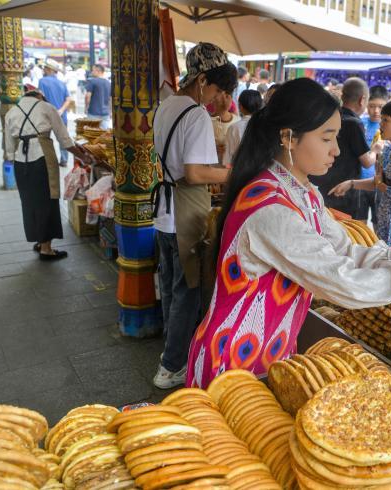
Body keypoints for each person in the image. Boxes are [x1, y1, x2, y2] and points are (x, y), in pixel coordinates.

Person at [185, 78, 391, 387]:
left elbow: (344, 251)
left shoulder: (302, 192)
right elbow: (344, 282)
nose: (337, 150)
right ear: (289, 138)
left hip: (269, 356)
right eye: (327, 138)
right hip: (231, 366)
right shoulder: (271, 209)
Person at [151, 42, 236, 389]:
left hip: (164, 212)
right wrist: (233, 172)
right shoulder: (196, 114)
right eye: (216, 89)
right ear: (202, 80)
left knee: (172, 285)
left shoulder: (166, 104)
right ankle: (171, 368)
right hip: (185, 209)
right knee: (187, 289)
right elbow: (197, 173)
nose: (216, 99)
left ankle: (172, 350)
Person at [4, 87, 87, 261]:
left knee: (29, 202)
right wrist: (84, 157)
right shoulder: (46, 108)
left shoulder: (11, 112)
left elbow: (9, 148)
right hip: (42, 158)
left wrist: (15, 161)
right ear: (40, 96)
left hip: (21, 162)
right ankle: (46, 249)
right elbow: (64, 140)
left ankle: (40, 241)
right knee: (47, 200)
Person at [331, 99, 391, 246]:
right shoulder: (389, 148)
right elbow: (380, 183)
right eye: (382, 119)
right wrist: (351, 184)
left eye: (386, 120)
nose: (381, 124)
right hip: (387, 218)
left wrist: (379, 181)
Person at [309, 77, 380, 217]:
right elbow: (367, 162)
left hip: (321, 185)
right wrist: (376, 150)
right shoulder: (354, 123)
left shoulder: (329, 116)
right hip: (343, 191)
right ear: (362, 99)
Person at [356, 85, 388, 225]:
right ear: (365, 103)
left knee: (379, 227)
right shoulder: (359, 124)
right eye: (372, 106)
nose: (376, 111)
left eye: (380, 107)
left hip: (379, 185)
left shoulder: (390, 127)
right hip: (360, 183)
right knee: (359, 227)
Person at [38, 59, 72, 167]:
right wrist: (61, 110)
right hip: (61, 116)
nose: (44, 70)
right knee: (63, 139)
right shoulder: (62, 83)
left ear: (49, 70)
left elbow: (40, 97)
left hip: (46, 116)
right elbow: (69, 99)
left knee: (45, 139)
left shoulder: (42, 81)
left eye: (45, 68)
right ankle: (64, 160)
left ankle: (48, 160)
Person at [222, 89, 263, 166]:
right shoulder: (266, 126)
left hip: (240, 170)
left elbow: (227, 158)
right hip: (261, 170)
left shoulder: (234, 127)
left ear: (240, 106)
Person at [84, 64, 111, 129]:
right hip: (105, 113)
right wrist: (110, 111)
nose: (92, 72)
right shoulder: (108, 83)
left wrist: (86, 107)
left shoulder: (92, 81)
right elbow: (110, 99)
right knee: (104, 134)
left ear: (98, 71)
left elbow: (88, 96)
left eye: (93, 70)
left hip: (93, 112)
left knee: (91, 133)